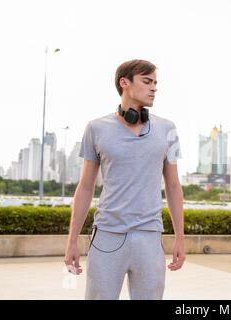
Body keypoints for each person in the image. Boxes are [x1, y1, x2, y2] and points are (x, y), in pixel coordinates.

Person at [64, 59, 185, 300]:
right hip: (107, 236)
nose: (154, 88)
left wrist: (180, 238)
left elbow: (173, 186)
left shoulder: (167, 129)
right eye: (147, 82)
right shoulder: (96, 128)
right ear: (125, 82)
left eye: (156, 83)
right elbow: (86, 186)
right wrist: (72, 241)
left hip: (150, 237)